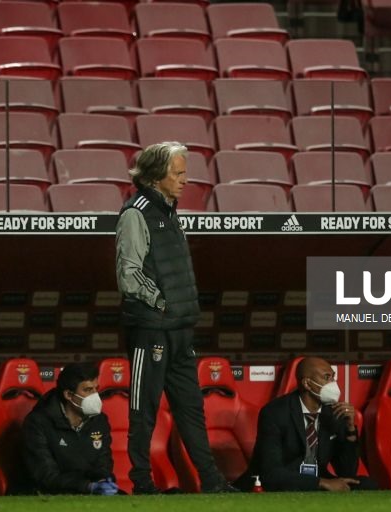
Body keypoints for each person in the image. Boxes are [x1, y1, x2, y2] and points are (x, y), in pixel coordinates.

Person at [115, 142, 234, 494]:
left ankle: (212, 482)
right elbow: (128, 274)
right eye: (178, 173)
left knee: (191, 409)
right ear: (155, 176)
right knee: (144, 409)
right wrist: (160, 302)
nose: (185, 179)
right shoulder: (136, 213)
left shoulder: (169, 211)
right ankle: (142, 483)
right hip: (151, 328)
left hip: (180, 328)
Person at [237, 357, 377, 492]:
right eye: (327, 377)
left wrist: (350, 430)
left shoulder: (334, 412)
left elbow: (347, 472)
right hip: (282, 483)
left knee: (366, 484)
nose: (333, 383)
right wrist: (320, 483)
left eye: (333, 377)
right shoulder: (275, 412)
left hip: (318, 479)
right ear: (307, 384)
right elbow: (271, 472)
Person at [22, 363, 118, 495]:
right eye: (88, 390)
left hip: (87, 491)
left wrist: (103, 481)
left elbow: (104, 464)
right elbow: (46, 475)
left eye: (96, 389)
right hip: (46, 495)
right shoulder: (38, 423)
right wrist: (88, 487)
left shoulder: (99, 420)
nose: (95, 396)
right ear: (68, 394)